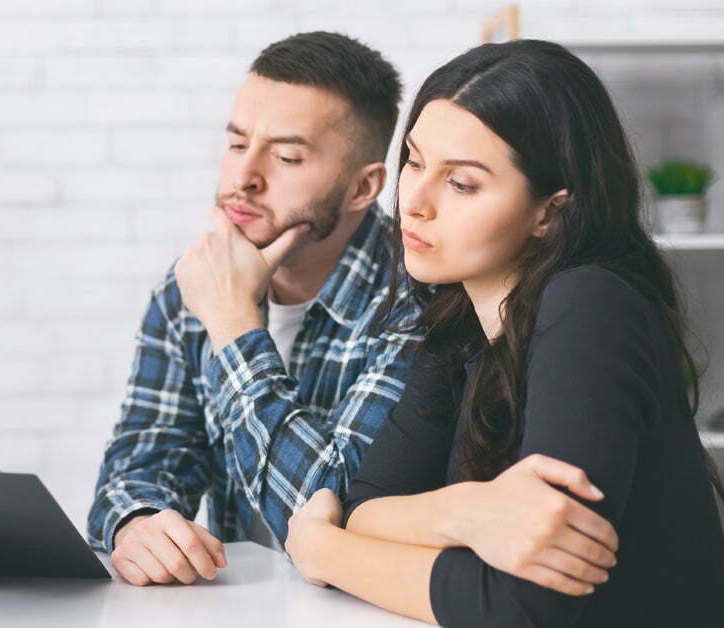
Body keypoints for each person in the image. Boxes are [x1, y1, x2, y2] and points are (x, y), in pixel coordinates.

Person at [284, 39, 724, 626]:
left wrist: (321, 550)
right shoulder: (456, 328)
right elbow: (364, 507)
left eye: (461, 184)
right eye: (414, 161)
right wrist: (465, 512)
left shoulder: (591, 304)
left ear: (551, 211)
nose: (414, 202)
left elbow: (523, 604)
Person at [87, 31, 420, 586]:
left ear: (364, 187)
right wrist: (138, 522)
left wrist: (233, 321)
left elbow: (331, 520)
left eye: (287, 156)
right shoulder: (188, 287)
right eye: (238, 144)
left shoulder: (414, 299)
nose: (244, 178)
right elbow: (146, 454)